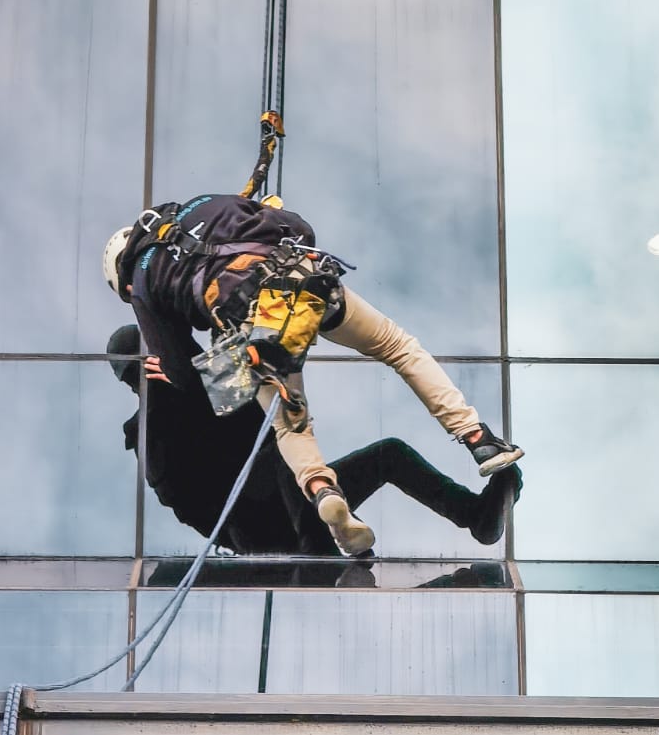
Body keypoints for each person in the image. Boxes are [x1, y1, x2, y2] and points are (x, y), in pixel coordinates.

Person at [103, 193, 523, 556]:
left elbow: (191, 377)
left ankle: (470, 515)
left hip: (283, 491)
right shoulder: (204, 207)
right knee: (395, 349)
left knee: (339, 443)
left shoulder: (148, 291)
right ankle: (475, 439)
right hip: (262, 520)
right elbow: (297, 228)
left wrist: (205, 366)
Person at [108, 324, 521, 558]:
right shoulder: (151, 429)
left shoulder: (202, 383)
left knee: (388, 455)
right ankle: (319, 544)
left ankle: (476, 515)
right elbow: (186, 501)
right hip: (254, 523)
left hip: (289, 499)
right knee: (279, 451)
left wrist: (233, 351)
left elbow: (267, 404)